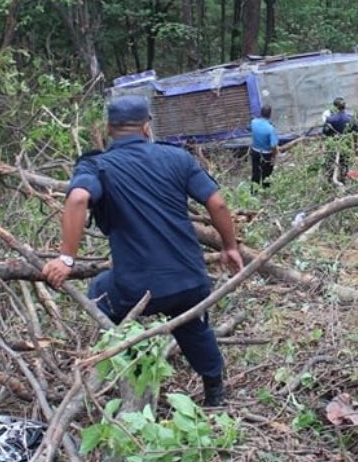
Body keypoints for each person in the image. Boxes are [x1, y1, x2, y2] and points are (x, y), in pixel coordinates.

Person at [42, 95, 244, 407]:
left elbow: (78, 198)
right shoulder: (177, 158)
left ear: (109, 129)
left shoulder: (97, 165)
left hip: (136, 290)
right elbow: (216, 202)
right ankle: (215, 392)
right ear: (147, 128)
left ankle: (132, 367)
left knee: (100, 291)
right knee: (189, 320)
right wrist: (229, 248)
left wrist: (66, 257)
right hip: (190, 281)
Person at [323, 97, 354, 181]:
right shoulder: (350, 118)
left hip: (333, 145)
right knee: (345, 163)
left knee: (330, 163)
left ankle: (330, 179)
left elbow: (325, 133)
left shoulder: (330, 119)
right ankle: (344, 178)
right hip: (346, 145)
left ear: (335, 106)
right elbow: (355, 132)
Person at [249, 105, 278, 191]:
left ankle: (254, 192)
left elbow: (249, 129)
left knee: (255, 172)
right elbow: (273, 145)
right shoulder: (270, 128)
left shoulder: (253, 122)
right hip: (266, 154)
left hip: (254, 152)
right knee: (266, 174)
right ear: (270, 115)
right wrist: (274, 156)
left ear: (260, 113)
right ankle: (266, 191)